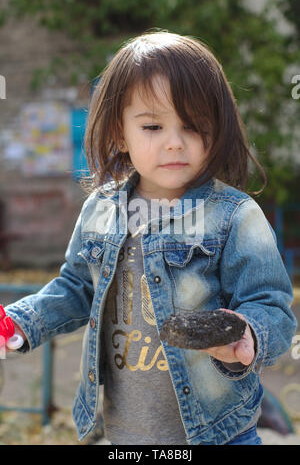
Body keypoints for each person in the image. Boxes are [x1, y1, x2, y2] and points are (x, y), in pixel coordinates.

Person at [4, 31, 297, 445]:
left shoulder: (234, 216)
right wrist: (19, 321)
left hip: (219, 435)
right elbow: (75, 287)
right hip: (127, 435)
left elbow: (274, 308)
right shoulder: (101, 210)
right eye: (153, 126)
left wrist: (246, 336)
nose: (175, 142)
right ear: (120, 133)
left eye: (193, 126)